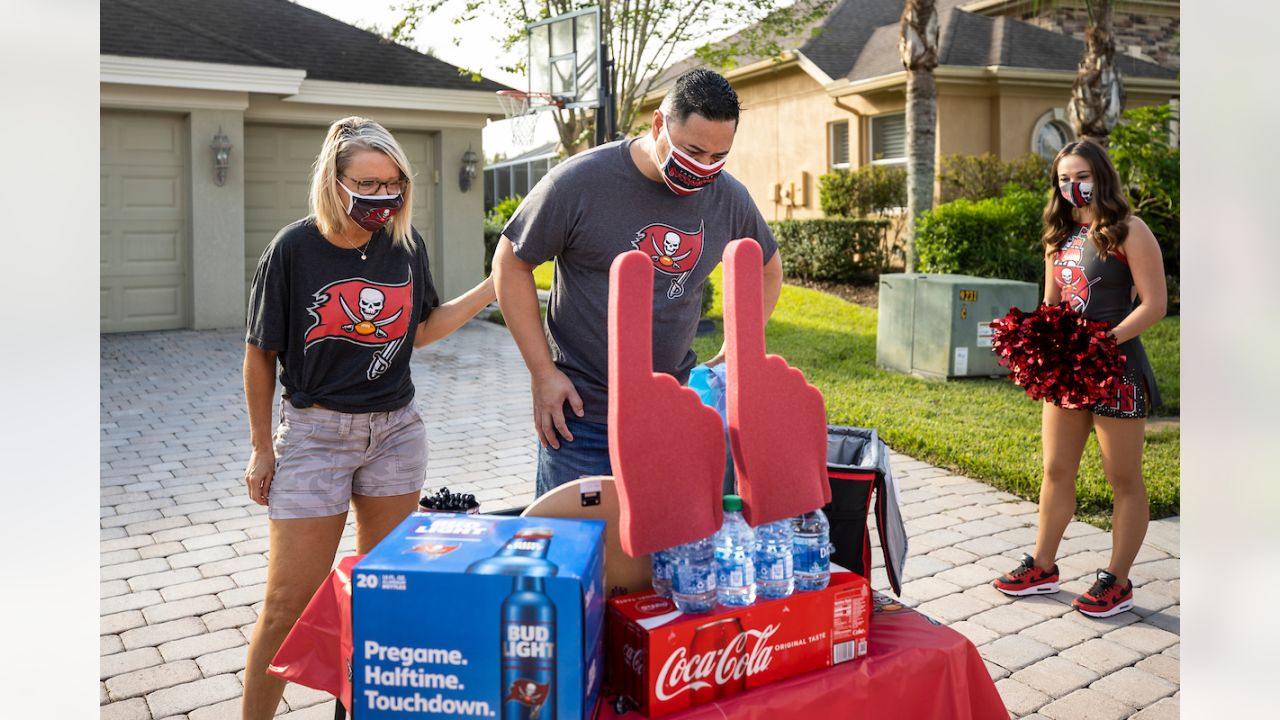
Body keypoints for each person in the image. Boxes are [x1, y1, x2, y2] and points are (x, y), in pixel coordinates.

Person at [240, 116, 495, 718]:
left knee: (382, 594)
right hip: (316, 434)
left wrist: (493, 287)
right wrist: (261, 446)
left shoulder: (405, 245)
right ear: (334, 180)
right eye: (369, 184)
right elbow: (260, 355)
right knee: (287, 603)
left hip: (396, 432)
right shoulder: (294, 249)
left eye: (393, 185)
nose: (383, 198)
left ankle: (362, 709)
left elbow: (421, 329)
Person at [492, 69, 783, 497]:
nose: (704, 169)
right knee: (581, 555)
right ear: (658, 124)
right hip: (582, 418)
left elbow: (768, 268)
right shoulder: (579, 183)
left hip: (672, 414)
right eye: (693, 151)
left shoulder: (727, 195)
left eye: (718, 156)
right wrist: (542, 373)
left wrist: (735, 351)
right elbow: (510, 264)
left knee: (663, 556)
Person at [992, 139, 1166, 618]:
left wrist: (1104, 342)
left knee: (1123, 478)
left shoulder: (1130, 231)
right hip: (1069, 373)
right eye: (1065, 178)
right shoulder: (1059, 236)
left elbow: (1154, 305)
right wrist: (1034, 344)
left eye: (1082, 175)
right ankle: (1043, 566)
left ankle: (1118, 579)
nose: (1074, 186)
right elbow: (1052, 307)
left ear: (1102, 176)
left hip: (1118, 370)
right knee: (1055, 470)